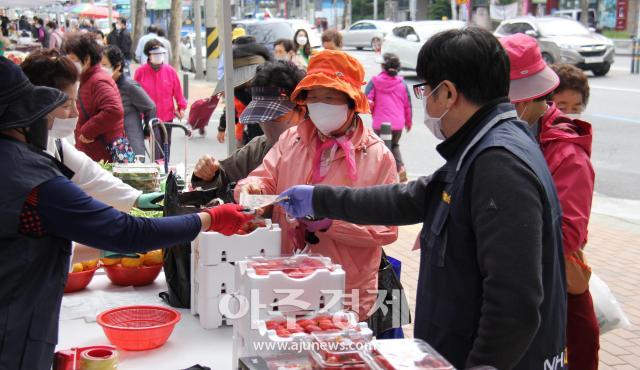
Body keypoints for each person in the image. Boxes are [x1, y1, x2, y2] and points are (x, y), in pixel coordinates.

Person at [278, 28, 567, 369]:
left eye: (425, 91)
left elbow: (515, 303)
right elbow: (409, 198)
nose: (425, 102)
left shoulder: (498, 163)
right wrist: (320, 198)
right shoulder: (481, 148)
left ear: (447, 93)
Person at [0, 57, 254, 370]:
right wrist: (211, 218)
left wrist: (132, 200)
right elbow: (127, 232)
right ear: (22, 118)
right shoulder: (31, 178)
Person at [236, 50, 399, 320]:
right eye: (313, 97)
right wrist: (251, 187)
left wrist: (330, 223)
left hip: (346, 291)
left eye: (329, 97)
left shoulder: (377, 156)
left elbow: (385, 229)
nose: (319, 105)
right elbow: (264, 177)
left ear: (350, 102)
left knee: (337, 356)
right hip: (290, 280)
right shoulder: (292, 139)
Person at [501, 33, 598, 370]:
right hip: (514, 296)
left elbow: (568, 235)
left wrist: (494, 235)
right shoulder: (509, 139)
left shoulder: (566, 154)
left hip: (555, 299)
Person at [21, 49, 160, 211]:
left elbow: (87, 172)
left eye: (75, 103)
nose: (75, 113)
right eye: (66, 106)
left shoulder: (52, 139)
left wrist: (135, 197)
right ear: (38, 104)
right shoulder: (19, 152)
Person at [192, 61, 306, 198]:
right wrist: (208, 173)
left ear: (301, 110)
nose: (267, 124)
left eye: (275, 117)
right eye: (261, 117)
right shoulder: (259, 148)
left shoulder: (320, 152)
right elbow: (223, 174)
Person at [63, 32, 126, 163]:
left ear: (86, 60)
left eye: (73, 60)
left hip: (102, 155)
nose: (70, 64)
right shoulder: (86, 79)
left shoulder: (98, 81)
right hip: (93, 152)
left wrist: (87, 131)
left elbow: (114, 110)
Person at [134, 39, 187, 160]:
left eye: (160, 53)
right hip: (150, 119)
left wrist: (181, 108)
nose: (158, 56)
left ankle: (165, 172)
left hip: (167, 116)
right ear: (149, 55)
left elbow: (178, 93)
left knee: (166, 148)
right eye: (155, 54)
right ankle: (157, 171)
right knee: (156, 150)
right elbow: (135, 95)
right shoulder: (140, 72)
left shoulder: (170, 72)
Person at [365, 53, 412, 182]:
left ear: (383, 66)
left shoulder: (375, 81)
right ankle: (400, 168)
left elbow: (367, 99)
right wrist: (408, 122)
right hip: (397, 124)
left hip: (380, 123)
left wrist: (373, 112)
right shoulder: (402, 83)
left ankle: (382, 176)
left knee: (380, 149)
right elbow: (407, 104)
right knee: (394, 146)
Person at [103, 45, 156, 157]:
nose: (101, 69)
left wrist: (146, 130)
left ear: (117, 66)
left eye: (104, 65)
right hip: (109, 146)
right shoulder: (103, 86)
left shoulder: (129, 86)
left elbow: (150, 107)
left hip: (131, 147)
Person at [215, 40, 272, 146]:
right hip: (249, 138)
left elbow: (231, 109)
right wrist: (222, 127)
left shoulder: (269, 88)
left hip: (262, 140)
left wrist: (222, 127)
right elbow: (231, 109)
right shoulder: (239, 90)